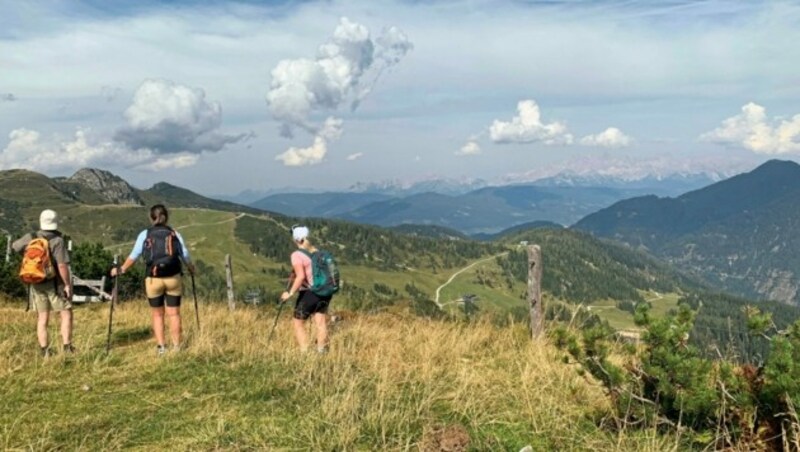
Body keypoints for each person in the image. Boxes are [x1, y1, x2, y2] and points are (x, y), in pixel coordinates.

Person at [111, 204, 195, 355]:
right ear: (166, 217)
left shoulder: (145, 234)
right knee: (174, 314)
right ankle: (177, 347)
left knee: (157, 314)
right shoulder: (174, 233)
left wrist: (121, 269)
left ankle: (162, 347)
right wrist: (191, 268)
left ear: (151, 217)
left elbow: (134, 255)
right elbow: (185, 254)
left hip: (153, 279)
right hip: (173, 277)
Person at [12, 209, 74, 357]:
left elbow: (14, 246)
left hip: (36, 282)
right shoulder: (57, 241)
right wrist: (67, 284)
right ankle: (67, 347)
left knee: (42, 317)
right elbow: (62, 266)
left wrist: (28, 254)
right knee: (65, 314)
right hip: (55, 284)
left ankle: (44, 350)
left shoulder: (31, 237)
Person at [280, 225, 331, 354]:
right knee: (320, 322)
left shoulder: (296, 255)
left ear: (296, 239)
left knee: (298, 323)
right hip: (324, 292)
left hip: (309, 293)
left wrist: (289, 293)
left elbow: (301, 276)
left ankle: (305, 354)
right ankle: (321, 352)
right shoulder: (316, 252)